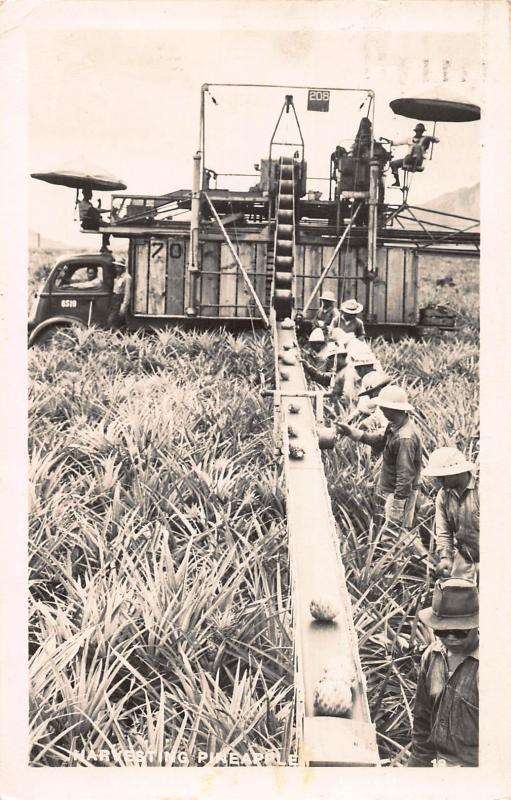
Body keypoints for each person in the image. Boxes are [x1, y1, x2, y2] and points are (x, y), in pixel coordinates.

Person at [408, 578, 479, 768]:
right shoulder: (432, 656)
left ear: (475, 625)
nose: (450, 637)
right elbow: (422, 721)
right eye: (442, 631)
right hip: (437, 764)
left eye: (459, 631)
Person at [337, 384, 423, 531]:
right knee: (395, 532)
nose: (381, 410)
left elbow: (405, 475)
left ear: (395, 409)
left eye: (384, 407)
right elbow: (379, 440)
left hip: (400, 494)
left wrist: (397, 507)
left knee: (394, 534)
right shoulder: (395, 425)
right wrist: (352, 432)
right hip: (394, 491)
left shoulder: (405, 438)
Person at [422, 447, 479, 582]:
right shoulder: (443, 496)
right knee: (454, 594)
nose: (438, 480)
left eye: (442, 476)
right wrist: (445, 557)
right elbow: (444, 532)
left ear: (457, 472)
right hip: (466, 556)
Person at [389, 123, 440, 187]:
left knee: (417, 147)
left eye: (421, 131)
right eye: (418, 131)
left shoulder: (425, 139)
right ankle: (397, 182)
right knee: (393, 164)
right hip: (408, 159)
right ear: (416, 131)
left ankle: (413, 165)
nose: (419, 133)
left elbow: (437, 140)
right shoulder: (410, 139)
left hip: (418, 160)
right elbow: (398, 143)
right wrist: (390, 142)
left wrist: (430, 137)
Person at [107, 260, 132, 329]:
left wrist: (124, 306)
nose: (116, 269)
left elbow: (127, 293)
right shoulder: (118, 277)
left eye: (118, 267)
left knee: (111, 321)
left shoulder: (127, 277)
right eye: (116, 267)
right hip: (115, 300)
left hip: (120, 300)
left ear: (122, 268)